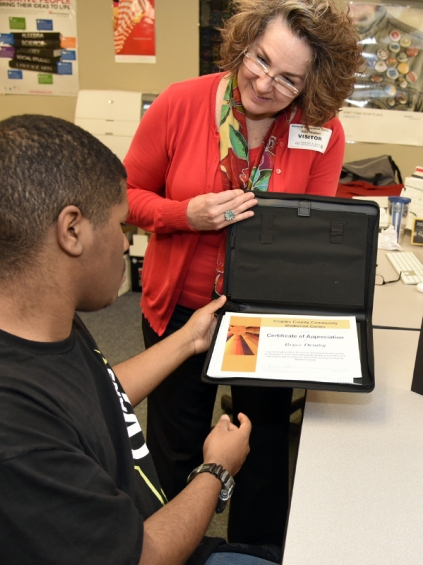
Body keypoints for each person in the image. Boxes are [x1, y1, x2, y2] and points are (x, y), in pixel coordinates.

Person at [0, 115, 284, 565]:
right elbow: (143, 557)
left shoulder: (29, 318)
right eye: (121, 225)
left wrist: (188, 339)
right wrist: (216, 470)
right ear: (71, 230)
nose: (125, 243)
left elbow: (91, 393)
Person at [124, 0, 364, 548]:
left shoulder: (322, 131)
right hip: (181, 312)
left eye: (287, 79)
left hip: (266, 315)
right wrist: (186, 214)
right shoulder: (181, 103)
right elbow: (127, 198)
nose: (263, 82)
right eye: (259, 60)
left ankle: (253, 555)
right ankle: (166, 551)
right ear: (245, 40)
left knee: (261, 444)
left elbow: (312, 237)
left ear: (312, 83)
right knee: (175, 445)